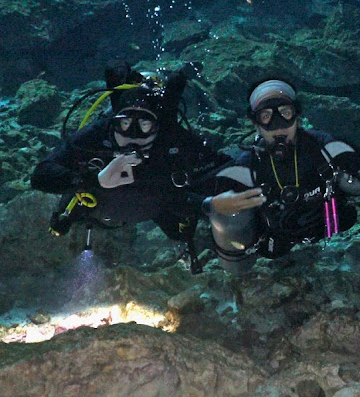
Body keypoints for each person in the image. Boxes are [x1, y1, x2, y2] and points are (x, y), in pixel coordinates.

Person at [30, 60, 231, 272]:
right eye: (125, 124)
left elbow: (222, 167)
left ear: (157, 126)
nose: (133, 136)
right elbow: (41, 175)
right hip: (100, 203)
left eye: (144, 125)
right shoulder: (99, 134)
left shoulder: (170, 137)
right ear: (113, 123)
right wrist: (92, 180)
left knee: (182, 228)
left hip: (160, 204)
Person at [201, 77, 360, 274]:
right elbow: (185, 201)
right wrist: (211, 205)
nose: (278, 126)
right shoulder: (245, 167)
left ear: (297, 116)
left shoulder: (326, 147)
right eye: (267, 116)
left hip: (334, 231)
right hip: (274, 246)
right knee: (225, 212)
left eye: (285, 113)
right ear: (256, 124)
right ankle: (239, 266)